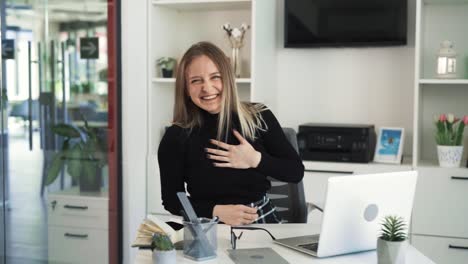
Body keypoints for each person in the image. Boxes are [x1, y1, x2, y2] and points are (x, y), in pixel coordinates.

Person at [158, 41, 304, 226]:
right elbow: (171, 200)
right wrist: (214, 211)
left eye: (215, 77)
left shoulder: (259, 116)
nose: (207, 88)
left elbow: (295, 172)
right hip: (208, 223)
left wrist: (255, 160)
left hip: (261, 220)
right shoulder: (176, 136)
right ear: (186, 89)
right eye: (196, 80)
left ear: (227, 78)